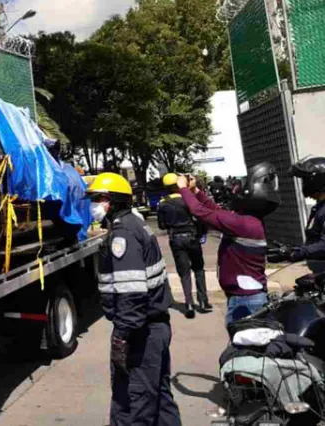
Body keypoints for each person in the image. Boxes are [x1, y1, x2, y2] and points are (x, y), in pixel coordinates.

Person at [87, 172, 181, 426]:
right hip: (155, 325)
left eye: (97, 199)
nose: (93, 205)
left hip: (140, 332)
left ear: (112, 200)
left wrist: (122, 334)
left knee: (133, 401)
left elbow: (131, 291)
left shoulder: (123, 234)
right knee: (159, 397)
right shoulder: (135, 223)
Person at [175, 162, 281, 327]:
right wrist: (195, 191)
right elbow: (217, 211)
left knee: (244, 348)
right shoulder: (248, 220)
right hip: (246, 297)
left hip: (246, 301)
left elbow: (200, 212)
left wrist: (182, 188)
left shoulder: (243, 224)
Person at [157, 173, 212, 318]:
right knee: (199, 268)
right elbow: (200, 217)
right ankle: (203, 301)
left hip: (176, 240)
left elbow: (161, 225)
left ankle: (188, 303)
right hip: (192, 238)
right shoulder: (188, 200)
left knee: (184, 272)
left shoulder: (163, 203)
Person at [268, 157, 325, 269]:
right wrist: (291, 250)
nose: (304, 184)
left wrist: (298, 252)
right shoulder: (319, 207)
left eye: (306, 180)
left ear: (317, 181)